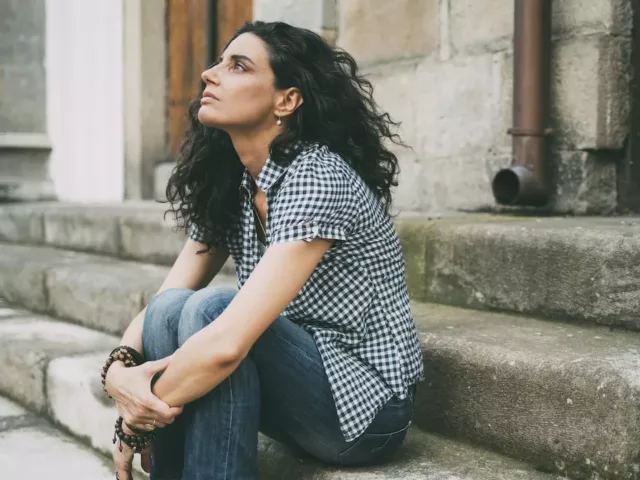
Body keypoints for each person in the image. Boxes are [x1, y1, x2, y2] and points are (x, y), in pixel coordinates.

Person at [103, 20, 424, 480]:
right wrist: (118, 369)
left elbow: (227, 345)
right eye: (218, 62)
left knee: (214, 312)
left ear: (287, 100)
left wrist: (139, 415)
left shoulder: (317, 176)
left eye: (237, 66)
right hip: (298, 382)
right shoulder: (234, 183)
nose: (210, 75)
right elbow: (165, 300)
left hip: (364, 406)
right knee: (173, 310)